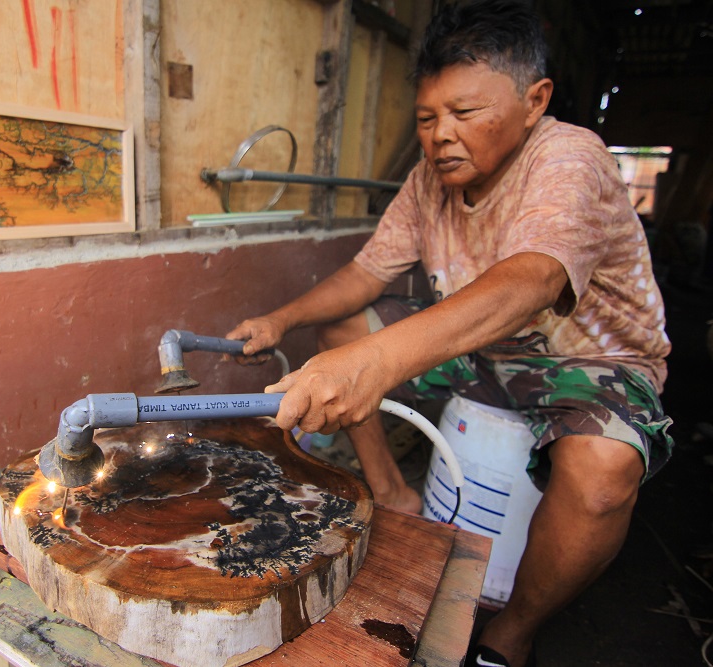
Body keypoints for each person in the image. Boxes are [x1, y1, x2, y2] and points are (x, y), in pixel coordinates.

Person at [225, 1, 673, 666]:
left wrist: (375, 362)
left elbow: (532, 282)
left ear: (534, 99)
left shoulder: (568, 157)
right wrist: (282, 318)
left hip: (591, 359)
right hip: (485, 349)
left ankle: (512, 630)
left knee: (605, 472)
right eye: (427, 119)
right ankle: (392, 492)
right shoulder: (426, 181)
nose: (441, 136)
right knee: (343, 330)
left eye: (465, 114)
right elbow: (366, 273)